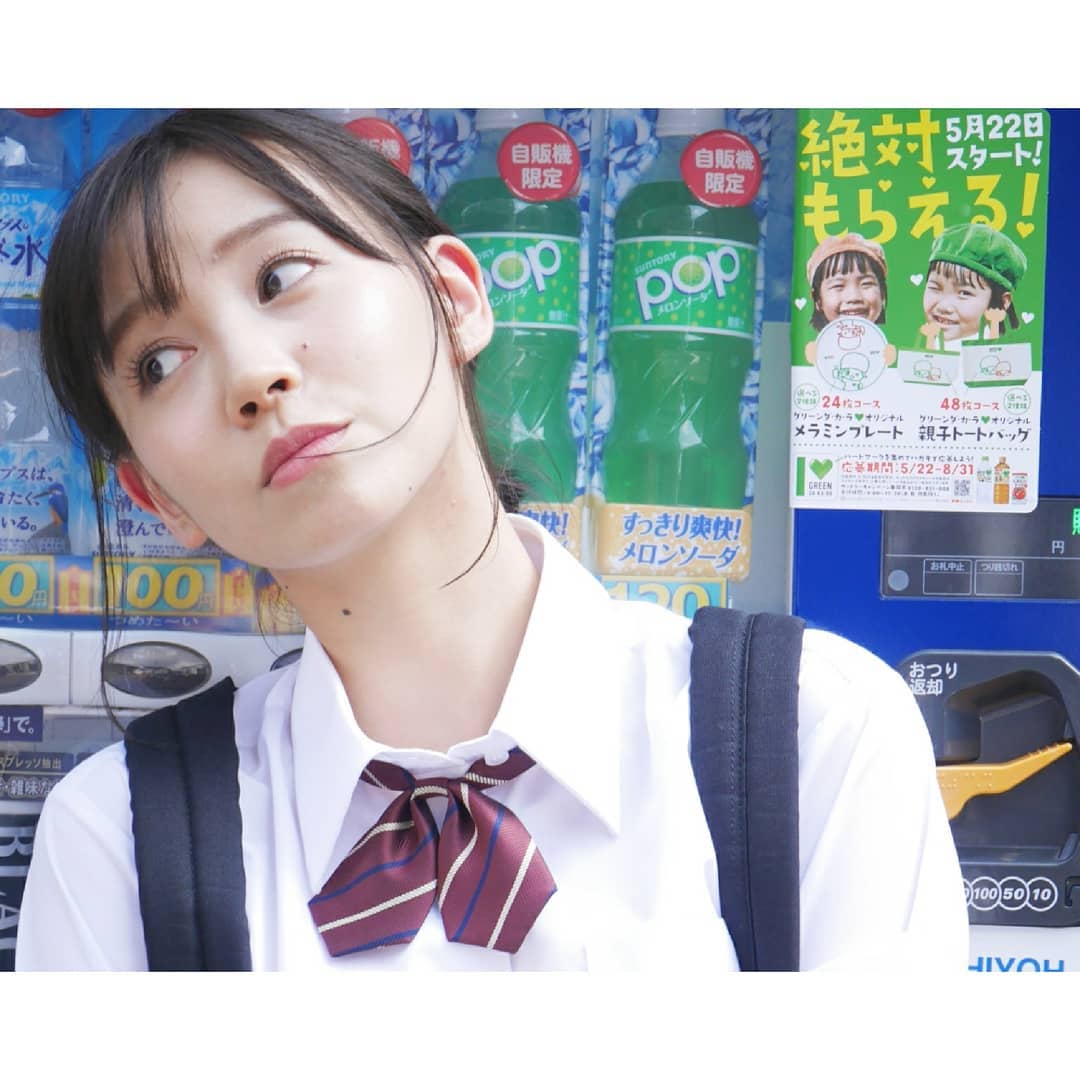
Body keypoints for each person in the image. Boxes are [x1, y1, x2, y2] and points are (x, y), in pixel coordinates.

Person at [15, 110, 969, 971]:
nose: (252, 374)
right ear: (154, 493)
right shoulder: (113, 847)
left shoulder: (815, 733)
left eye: (281, 276)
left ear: (455, 295)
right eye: (160, 361)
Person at [921, 223, 1027, 351]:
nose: (944, 306)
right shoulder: (927, 348)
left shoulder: (1000, 356)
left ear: (1004, 302)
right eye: (935, 288)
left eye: (964, 293)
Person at [803, 232, 895, 367]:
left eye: (866, 284)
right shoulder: (815, 355)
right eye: (838, 286)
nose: (854, 297)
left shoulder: (889, 351)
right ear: (818, 300)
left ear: (882, 293)